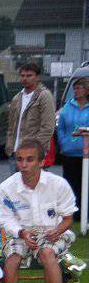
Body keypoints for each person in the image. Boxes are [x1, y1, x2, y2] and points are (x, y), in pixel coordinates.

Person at [0, 139, 77, 283]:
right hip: (20, 232)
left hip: (53, 230)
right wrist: (22, 232)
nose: (24, 165)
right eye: (20, 159)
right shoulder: (6, 187)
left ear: (41, 162)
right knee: (13, 257)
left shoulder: (58, 184)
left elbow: (68, 218)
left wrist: (56, 231)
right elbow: (5, 219)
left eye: (30, 159)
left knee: (47, 253)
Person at [5, 63, 55, 174]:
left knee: (36, 184)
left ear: (37, 77)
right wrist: (9, 146)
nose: (25, 78)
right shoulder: (17, 98)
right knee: (16, 185)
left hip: (33, 155)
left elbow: (48, 127)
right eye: (22, 75)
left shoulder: (44, 96)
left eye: (29, 75)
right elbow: (11, 127)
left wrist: (36, 150)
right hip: (15, 153)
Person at [56, 76, 89, 220]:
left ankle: (85, 213)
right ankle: (72, 213)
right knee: (70, 184)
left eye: (79, 88)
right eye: (74, 88)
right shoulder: (68, 107)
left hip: (86, 153)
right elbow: (61, 127)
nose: (75, 91)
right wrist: (63, 142)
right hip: (69, 152)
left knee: (85, 183)